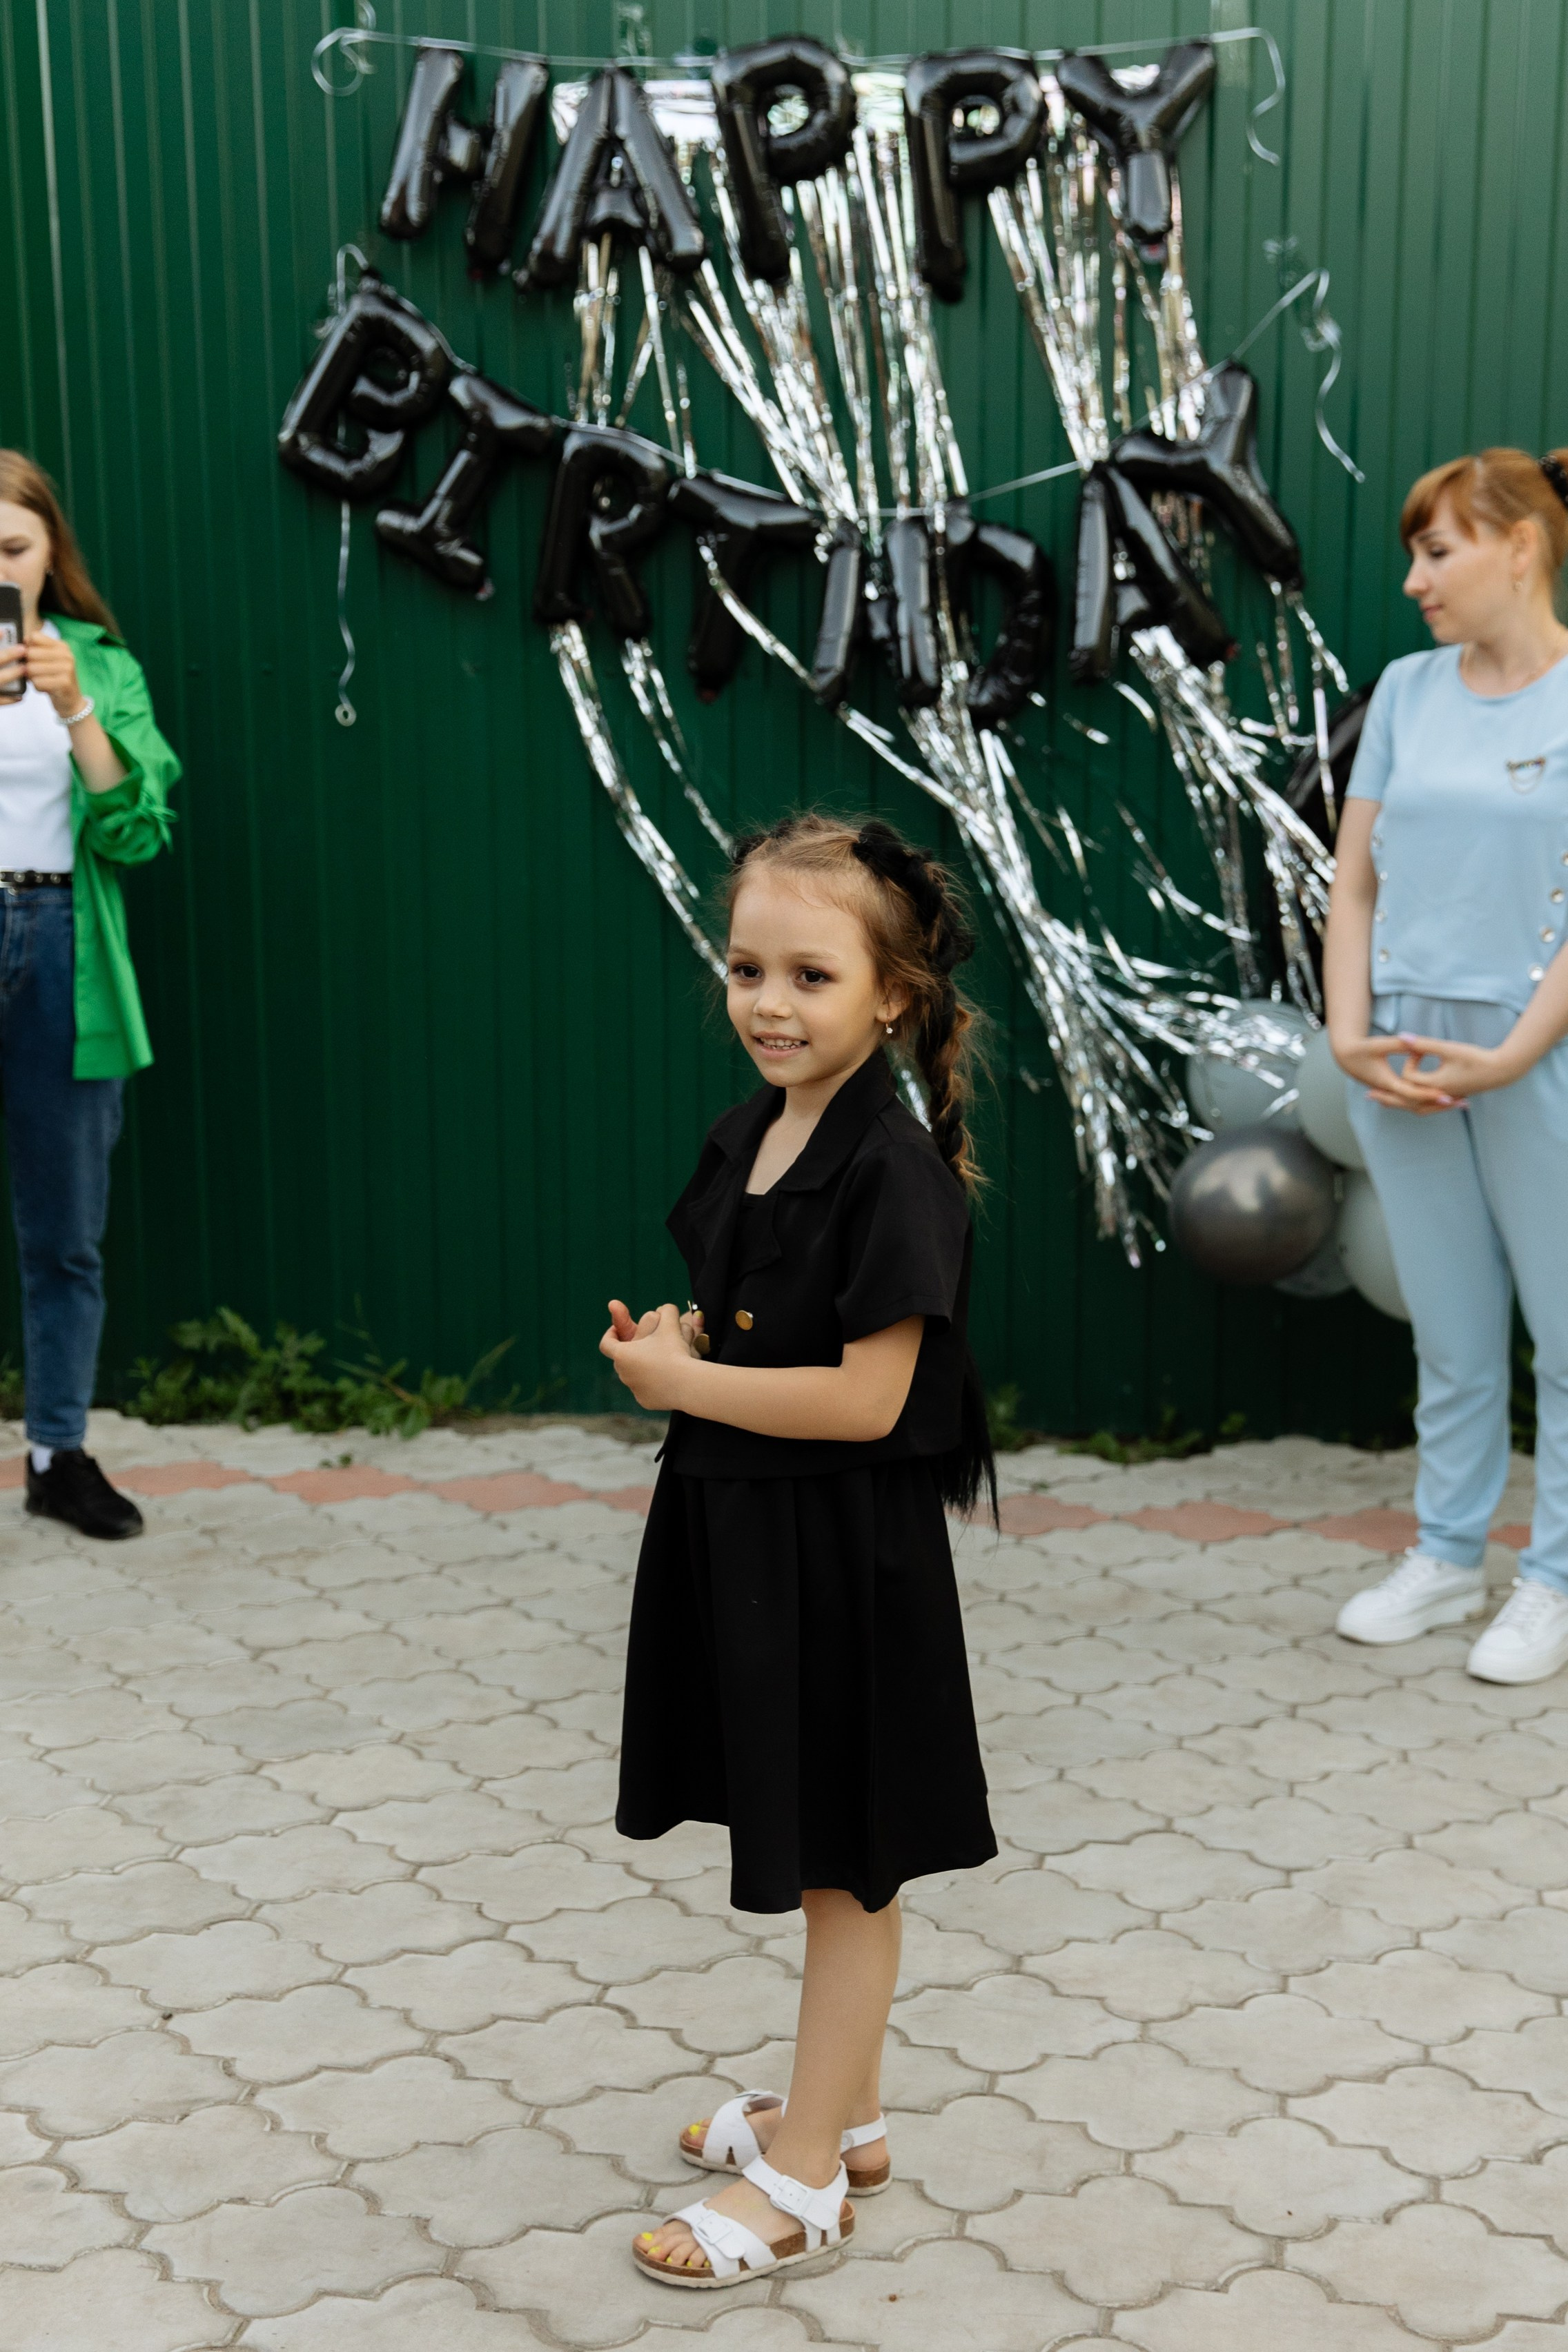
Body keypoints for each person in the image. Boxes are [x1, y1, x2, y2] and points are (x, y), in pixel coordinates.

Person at [600, 813, 997, 2288]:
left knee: (849, 1869)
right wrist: (693, 1339)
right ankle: (853, 2114)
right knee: (828, 1846)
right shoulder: (753, 1134)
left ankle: (809, 2177)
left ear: (889, 995)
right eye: (746, 966)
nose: (768, 1002)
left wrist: (685, 1386)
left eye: (810, 976)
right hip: (745, 1540)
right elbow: (773, 1326)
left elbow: (869, 1397)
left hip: (840, 1566)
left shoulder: (891, 1169)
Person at [1326, 445, 1568, 1683]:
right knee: (1456, 1331)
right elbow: (1355, 881)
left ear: (1519, 545)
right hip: (1403, 1053)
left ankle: (1557, 1578)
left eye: (1438, 551)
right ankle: (1448, 1552)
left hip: (1540, 1049)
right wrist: (1346, 1031)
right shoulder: (1408, 692)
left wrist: (1516, 1052)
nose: (1417, 579)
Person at [0, 452, 178, 1538]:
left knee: (64, 1232)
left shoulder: (101, 665)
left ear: (51, 551)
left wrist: (75, 712)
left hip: (66, 946)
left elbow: (139, 832)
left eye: (13, 549)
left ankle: (57, 1453)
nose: (0, 572)